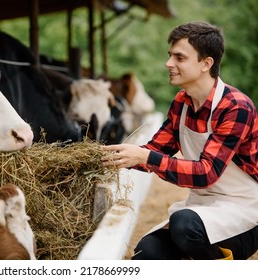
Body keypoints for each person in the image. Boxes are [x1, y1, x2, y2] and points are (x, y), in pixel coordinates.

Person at [101, 21, 258, 260]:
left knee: (184, 224)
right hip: (202, 207)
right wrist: (105, 157)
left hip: (244, 211)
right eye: (170, 55)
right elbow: (155, 150)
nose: (168, 63)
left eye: (179, 57)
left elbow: (206, 173)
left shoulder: (236, 107)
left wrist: (146, 157)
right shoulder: (181, 103)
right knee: (147, 253)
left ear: (206, 63)